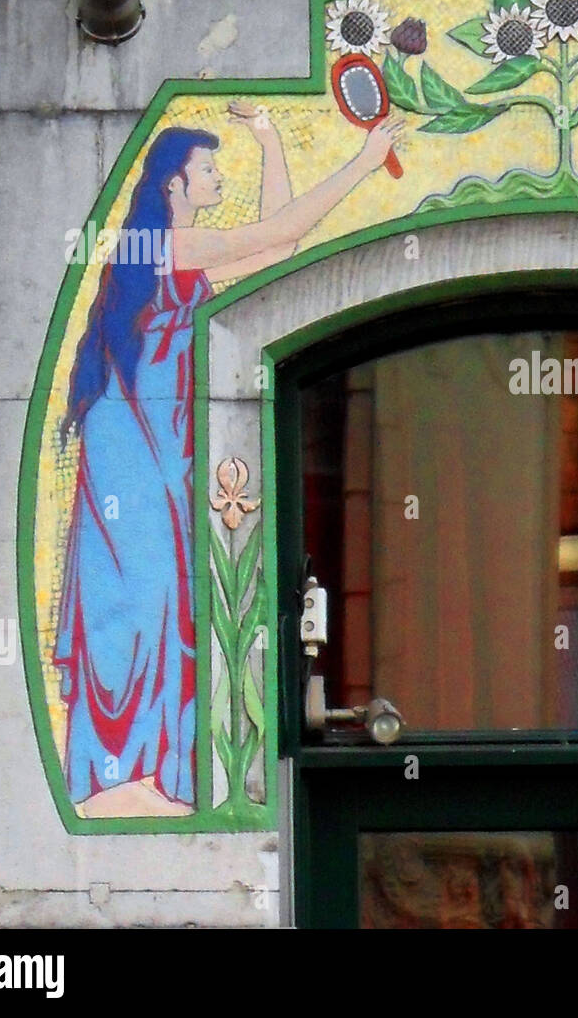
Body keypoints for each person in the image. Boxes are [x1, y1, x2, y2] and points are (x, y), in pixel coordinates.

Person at [56, 101, 404, 817]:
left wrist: (271, 139)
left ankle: (155, 769)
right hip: (133, 446)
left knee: (172, 595)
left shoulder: (185, 250)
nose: (217, 176)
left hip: (162, 443)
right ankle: (125, 771)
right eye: (207, 167)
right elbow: (281, 230)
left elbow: (278, 253)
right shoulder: (157, 248)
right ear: (173, 185)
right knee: (150, 595)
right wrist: (364, 162)